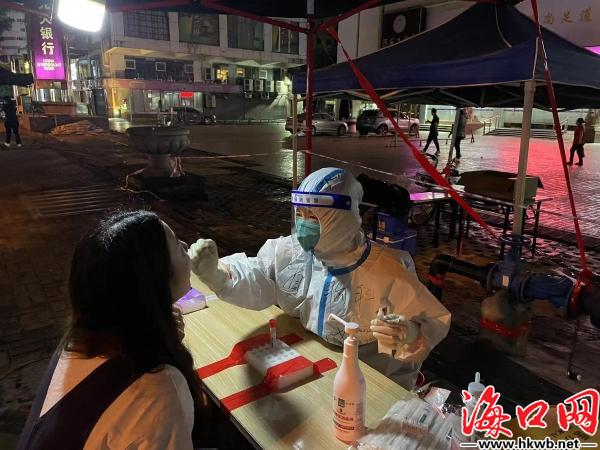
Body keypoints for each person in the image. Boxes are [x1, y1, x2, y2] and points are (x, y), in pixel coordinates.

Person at [189, 168, 451, 389]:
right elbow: (259, 273)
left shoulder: (389, 270)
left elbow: (430, 321)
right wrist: (219, 276)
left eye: (314, 217)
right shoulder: (293, 252)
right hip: (312, 366)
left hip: (371, 381)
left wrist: (410, 333)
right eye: (300, 215)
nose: (303, 225)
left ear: (342, 219)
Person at [18, 210, 200, 450]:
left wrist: (162, 334)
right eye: (177, 245)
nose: (185, 245)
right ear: (155, 282)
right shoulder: (157, 390)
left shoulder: (78, 342)